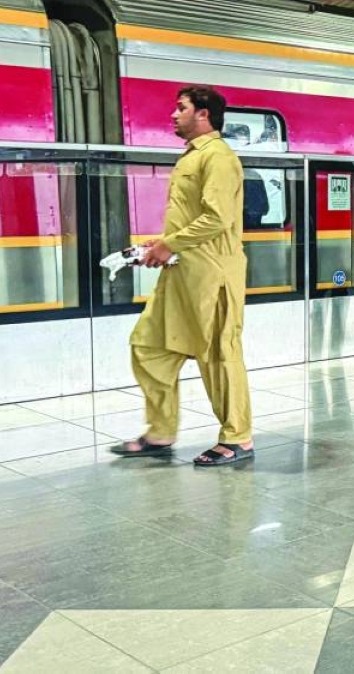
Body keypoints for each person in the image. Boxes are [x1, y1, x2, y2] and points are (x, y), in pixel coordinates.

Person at [109, 86, 254, 466]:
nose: (174, 115)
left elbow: (218, 217)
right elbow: (194, 218)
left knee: (219, 355)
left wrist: (170, 245)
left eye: (181, 108)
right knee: (149, 345)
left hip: (213, 274)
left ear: (203, 114)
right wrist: (162, 244)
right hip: (182, 270)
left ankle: (237, 437)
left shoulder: (219, 158)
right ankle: (160, 432)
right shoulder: (192, 157)